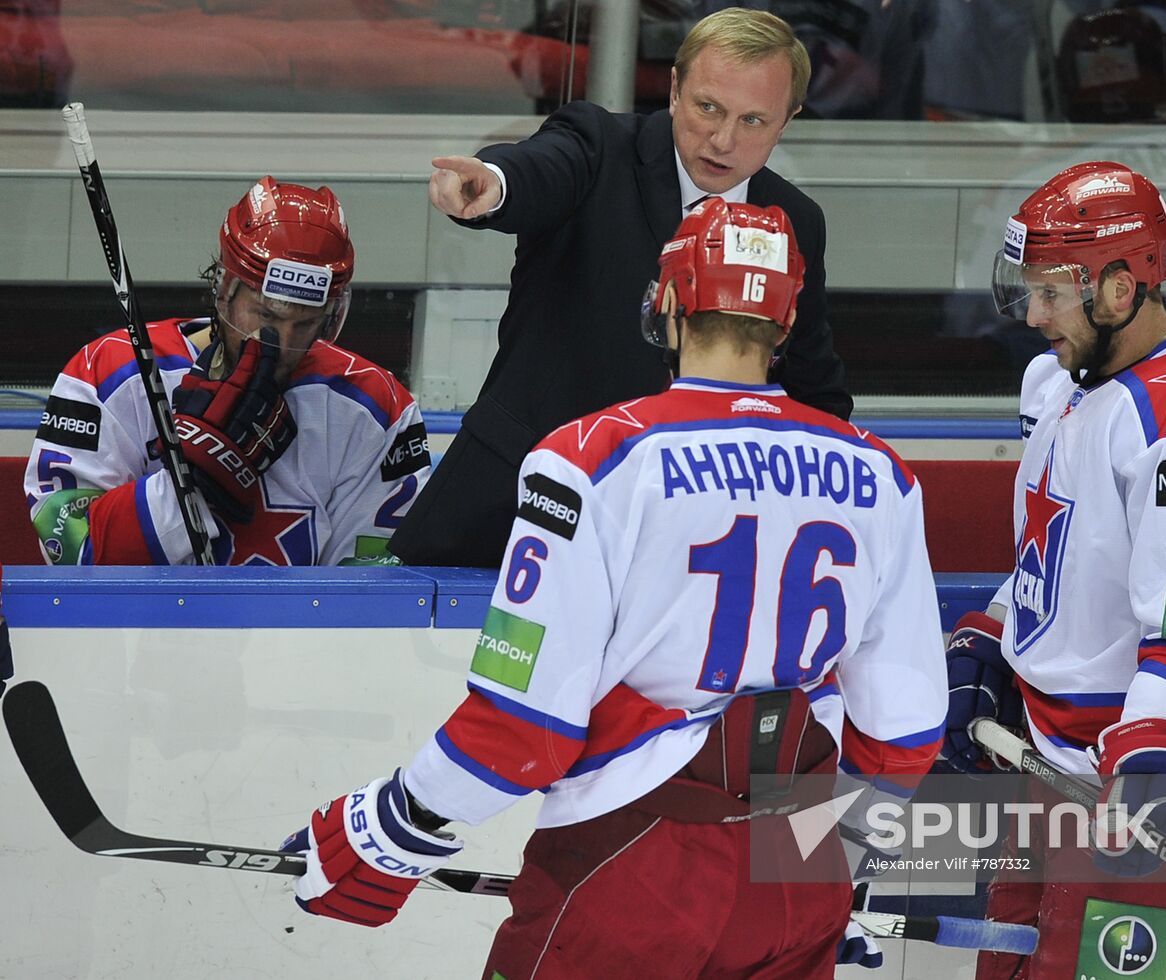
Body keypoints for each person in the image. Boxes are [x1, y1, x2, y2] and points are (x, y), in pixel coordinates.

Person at [283, 199, 947, 978]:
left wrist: (390, 826)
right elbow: (903, 730)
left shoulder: (592, 458)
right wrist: (839, 866)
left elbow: (526, 724)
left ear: (667, 304)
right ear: (788, 318)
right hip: (798, 871)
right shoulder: (879, 475)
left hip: (633, 863)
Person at [941, 161, 1166, 978]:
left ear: (1121, 287)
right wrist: (988, 642)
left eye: (1051, 292)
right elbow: (1057, 556)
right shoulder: (1073, 390)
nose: (1032, 314)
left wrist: (1152, 745)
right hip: (1066, 757)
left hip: (1163, 766)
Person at [391, 6, 852, 569]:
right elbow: (537, 172)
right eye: (709, 107)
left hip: (682, 544)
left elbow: (812, 390)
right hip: (513, 509)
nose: (723, 139)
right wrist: (493, 187)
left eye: (754, 120)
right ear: (676, 88)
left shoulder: (794, 221)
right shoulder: (600, 145)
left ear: (788, 119)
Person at [24, 176, 430, 566]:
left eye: (305, 323)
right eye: (266, 314)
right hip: (136, 634)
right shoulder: (112, 372)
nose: (281, 343)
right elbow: (67, 552)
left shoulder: (377, 408)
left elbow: (376, 590)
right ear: (224, 290)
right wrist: (189, 484)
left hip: (301, 637)